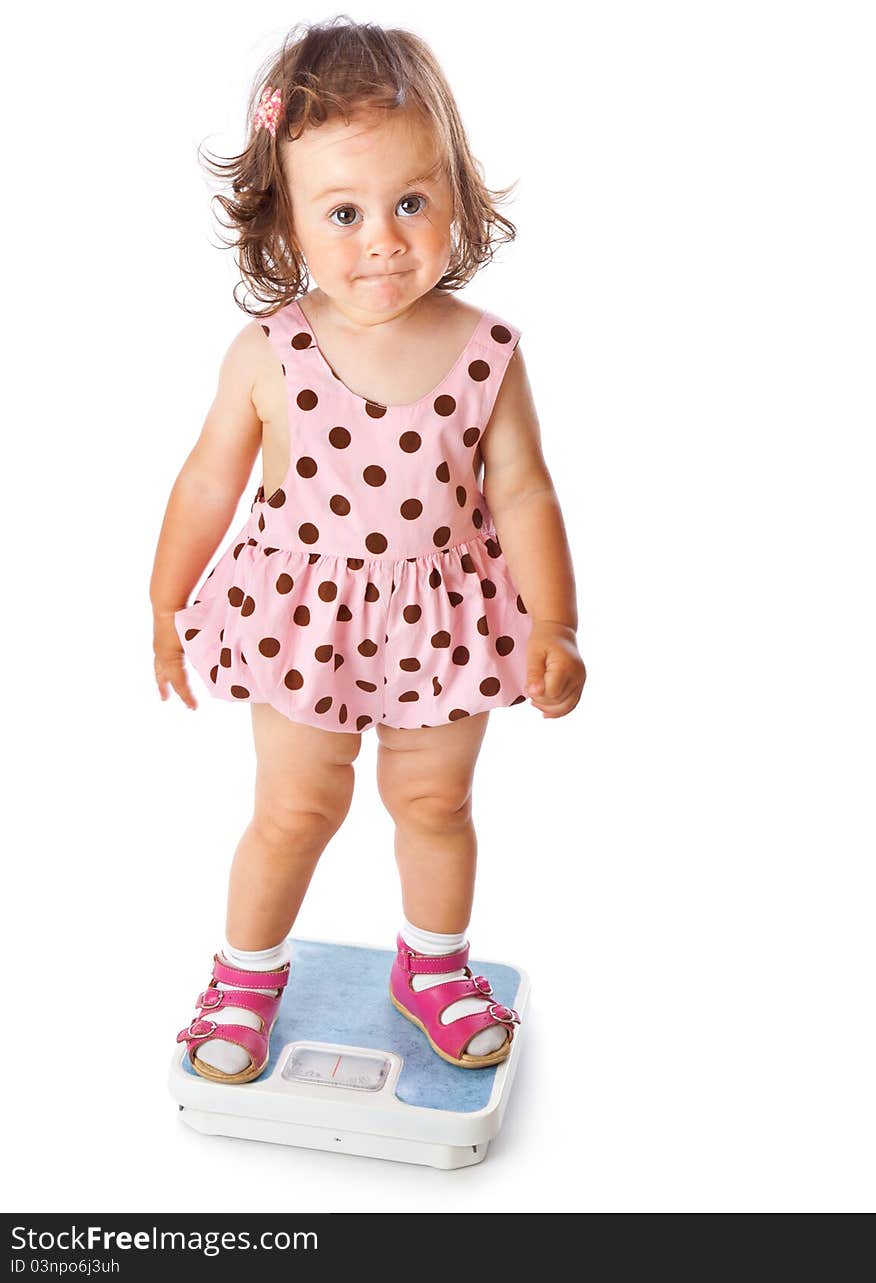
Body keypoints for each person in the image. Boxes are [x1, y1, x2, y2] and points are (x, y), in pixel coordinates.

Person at [151, 17, 587, 1084]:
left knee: (436, 805)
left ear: (453, 192)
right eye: (342, 212)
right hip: (303, 620)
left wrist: (556, 621)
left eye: (408, 202)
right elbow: (208, 479)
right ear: (287, 220)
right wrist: (163, 604)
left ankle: (432, 964)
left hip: (443, 623)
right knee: (295, 807)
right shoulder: (269, 351)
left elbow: (523, 489)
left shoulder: (486, 352)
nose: (381, 239)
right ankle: (246, 972)